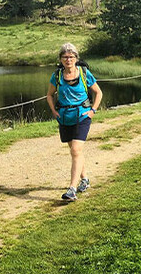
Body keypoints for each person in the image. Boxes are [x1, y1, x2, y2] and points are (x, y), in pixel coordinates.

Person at [46, 43, 103, 202]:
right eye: (65, 57)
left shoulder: (84, 73)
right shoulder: (56, 76)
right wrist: (54, 110)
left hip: (82, 115)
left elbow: (98, 92)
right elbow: (49, 95)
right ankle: (84, 179)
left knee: (76, 149)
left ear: (76, 58)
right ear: (61, 59)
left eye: (71, 57)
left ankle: (72, 189)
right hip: (64, 116)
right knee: (75, 151)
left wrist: (92, 111)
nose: (68, 59)